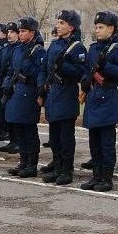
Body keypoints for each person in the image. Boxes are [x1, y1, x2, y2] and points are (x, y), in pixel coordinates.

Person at [79, 11, 118, 191]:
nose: (97, 30)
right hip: (94, 97)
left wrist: (106, 67)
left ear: (111, 28)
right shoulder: (93, 48)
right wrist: (86, 80)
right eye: (96, 27)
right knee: (94, 141)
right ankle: (96, 175)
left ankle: (106, 178)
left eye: (101, 27)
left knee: (106, 143)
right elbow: (86, 69)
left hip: (108, 98)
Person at [39, 10, 87, 185]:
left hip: (66, 94)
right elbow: (44, 68)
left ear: (71, 26)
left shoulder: (77, 47)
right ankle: (57, 167)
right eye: (58, 22)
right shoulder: (54, 45)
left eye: (62, 23)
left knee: (66, 137)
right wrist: (41, 89)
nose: (58, 26)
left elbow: (80, 74)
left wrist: (64, 66)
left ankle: (66, 171)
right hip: (53, 94)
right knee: (54, 137)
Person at [3, 17, 46, 177]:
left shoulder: (38, 50)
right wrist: (7, 83)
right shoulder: (18, 49)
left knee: (29, 130)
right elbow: (11, 70)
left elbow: (40, 72)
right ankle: (23, 161)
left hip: (29, 92)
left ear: (32, 32)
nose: (20, 34)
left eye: (23, 31)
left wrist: (26, 71)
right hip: (17, 92)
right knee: (19, 129)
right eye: (19, 31)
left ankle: (31, 164)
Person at [0, 21, 21, 154]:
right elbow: (2, 67)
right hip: (5, 83)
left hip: (15, 85)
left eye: (13, 32)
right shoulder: (5, 48)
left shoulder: (18, 48)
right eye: (8, 32)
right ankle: (12, 140)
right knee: (6, 113)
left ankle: (17, 141)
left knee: (14, 113)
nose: (10, 35)